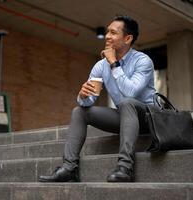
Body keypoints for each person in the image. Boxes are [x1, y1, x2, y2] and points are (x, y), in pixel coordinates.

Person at [39, 15, 155, 182]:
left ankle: (125, 167)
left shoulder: (143, 61)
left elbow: (131, 93)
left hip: (147, 117)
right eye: (107, 32)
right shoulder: (101, 66)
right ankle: (69, 168)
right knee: (79, 111)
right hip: (124, 118)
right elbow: (88, 101)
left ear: (128, 38)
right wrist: (83, 95)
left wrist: (114, 63)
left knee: (127, 102)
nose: (107, 36)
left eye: (113, 33)